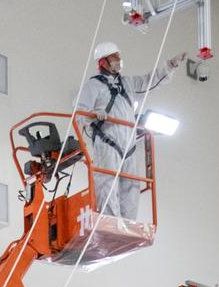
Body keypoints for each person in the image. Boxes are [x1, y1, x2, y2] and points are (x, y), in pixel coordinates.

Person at [73, 42, 185, 221]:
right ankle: (109, 220)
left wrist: (169, 66)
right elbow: (79, 114)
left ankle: (128, 224)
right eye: (114, 57)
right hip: (108, 140)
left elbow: (149, 81)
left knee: (132, 184)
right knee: (107, 182)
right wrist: (94, 115)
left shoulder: (127, 84)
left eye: (119, 56)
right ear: (103, 62)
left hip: (129, 143)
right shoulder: (93, 86)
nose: (119, 60)